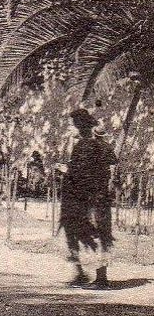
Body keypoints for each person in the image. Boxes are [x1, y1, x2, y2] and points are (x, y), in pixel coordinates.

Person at [60, 108, 117, 289]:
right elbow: (111, 168)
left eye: (72, 125)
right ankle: (90, 276)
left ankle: (100, 279)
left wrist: (65, 170)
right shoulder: (99, 145)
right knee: (95, 234)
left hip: (89, 198)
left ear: (79, 126)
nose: (70, 129)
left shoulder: (84, 146)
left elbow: (81, 174)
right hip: (98, 197)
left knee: (93, 234)